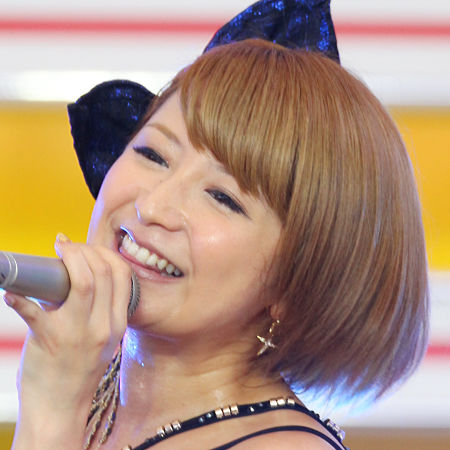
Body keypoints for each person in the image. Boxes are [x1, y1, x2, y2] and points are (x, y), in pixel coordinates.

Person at [4, 1, 428, 449]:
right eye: (153, 155)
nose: (152, 206)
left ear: (296, 281)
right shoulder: (92, 396)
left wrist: (52, 409)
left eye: (222, 197)